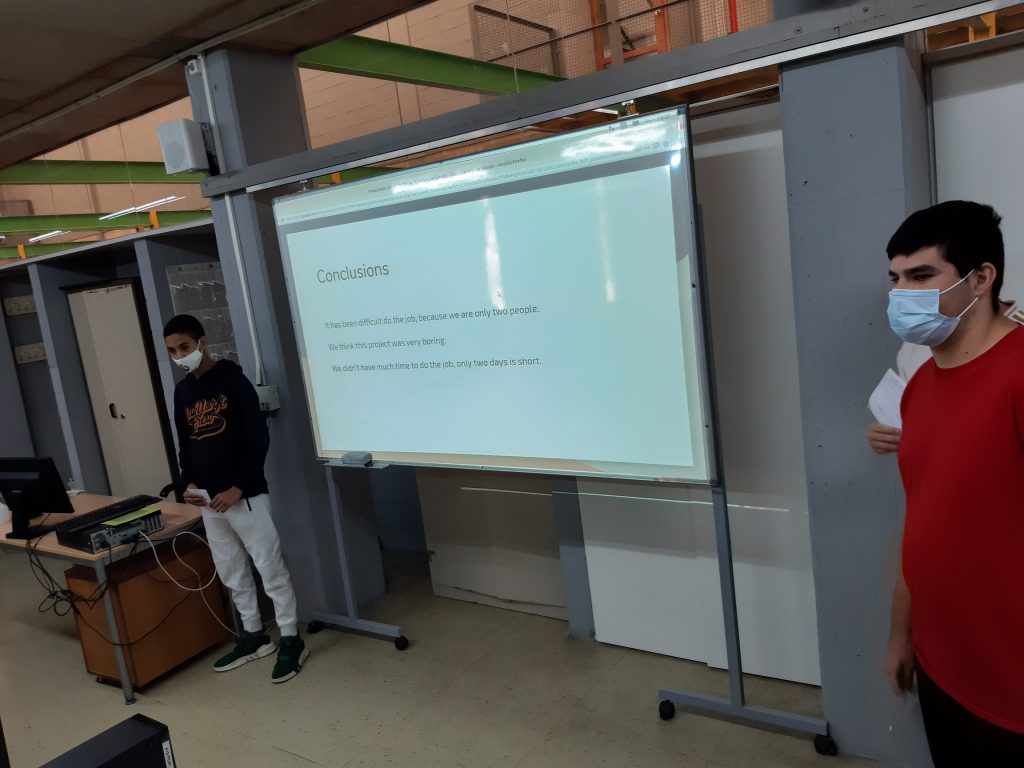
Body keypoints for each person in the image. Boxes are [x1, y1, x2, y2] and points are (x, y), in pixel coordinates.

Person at [882, 201, 1024, 765]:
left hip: (1013, 685)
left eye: (921, 276)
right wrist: (901, 635)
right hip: (941, 665)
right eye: (895, 279)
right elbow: (920, 520)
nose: (901, 294)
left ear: (981, 279)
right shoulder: (919, 386)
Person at [163, 313, 309, 683]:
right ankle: (254, 635)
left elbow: (257, 439)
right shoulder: (183, 392)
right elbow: (185, 444)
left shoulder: (233, 381)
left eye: (183, 347)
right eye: (171, 351)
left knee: (269, 567)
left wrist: (239, 487)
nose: (178, 356)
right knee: (231, 570)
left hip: (245, 497)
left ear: (202, 342)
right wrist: (188, 483)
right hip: (208, 500)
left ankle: (291, 638)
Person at [867, 300, 1020, 455]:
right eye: (896, 284)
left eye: (923, 282)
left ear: (980, 285)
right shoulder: (912, 349)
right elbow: (909, 419)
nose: (903, 292)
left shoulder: (1013, 335)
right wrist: (887, 436)